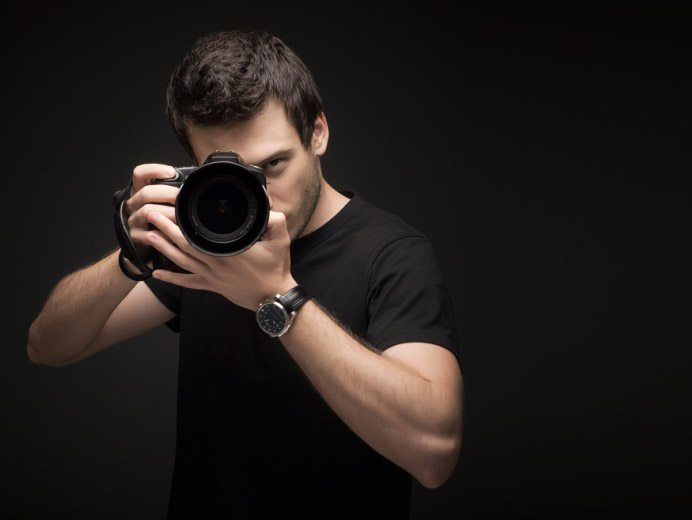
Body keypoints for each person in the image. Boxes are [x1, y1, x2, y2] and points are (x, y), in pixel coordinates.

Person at [27, 29, 463, 518]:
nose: (261, 196)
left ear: (317, 132)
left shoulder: (393, 254)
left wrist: (277, 296)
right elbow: (48, 346)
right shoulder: (202, 243)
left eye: (273, 165)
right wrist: (131, 255)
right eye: (233, 171)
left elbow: (434, 452)